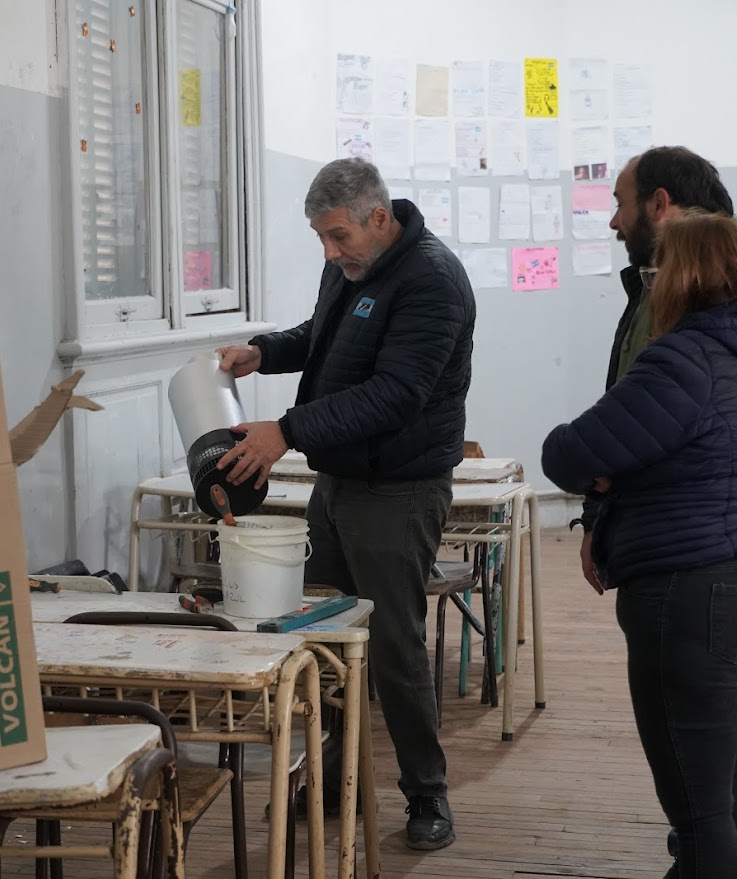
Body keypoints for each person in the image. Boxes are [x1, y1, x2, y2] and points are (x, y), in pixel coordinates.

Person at [214, 156, 476, 851]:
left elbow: (394, 394)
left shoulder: (432, 282)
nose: (329, 253)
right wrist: (263, 353)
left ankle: (427, 794)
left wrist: (286, 433)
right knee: (324, 641)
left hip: (399, 489)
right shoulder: (352, 266)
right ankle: (330, 779)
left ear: (378, 218)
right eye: (321, 240)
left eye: (337, 237)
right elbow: (323, 339)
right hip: (338, 485)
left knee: (390, 647)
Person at [543, 210, 737, 879]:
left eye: (655, 271)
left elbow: (568, 453)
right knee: (733, 793)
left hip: (694, 598)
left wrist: (613, 465)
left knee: (698, 815)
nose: (649, 284)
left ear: (680, 277)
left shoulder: (682, 359)